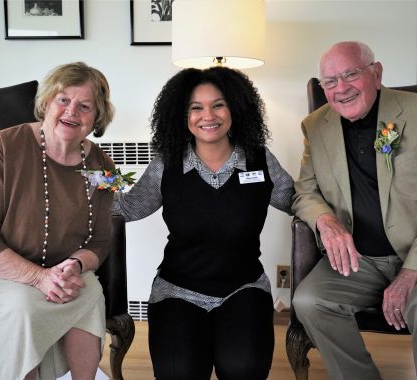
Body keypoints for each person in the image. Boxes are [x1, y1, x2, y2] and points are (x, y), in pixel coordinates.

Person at [291, 41, 417, 380]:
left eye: (350, 74)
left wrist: (411, 271)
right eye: (330, 81)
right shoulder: (316, 125)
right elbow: (304, 192)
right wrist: (325, 220)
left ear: (376, 73)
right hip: (362, 260)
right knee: (310, 301)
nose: (341, 88)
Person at [114, 66, 294, 380]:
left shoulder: (259, 160)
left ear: (236, 108)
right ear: (181, 116)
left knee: (244, 369)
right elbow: (129, 208)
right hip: (177, 291)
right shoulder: (166, 164)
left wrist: (330, 214)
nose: (207, 115)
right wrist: (77, 189)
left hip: (243, 288)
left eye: (218, 104)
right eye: (195, 108)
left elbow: (297, 200)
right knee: (179, 373)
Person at [0, 62, 116, 379]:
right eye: (62, 100)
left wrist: (74, 266)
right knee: (24, 303)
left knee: (89, 289)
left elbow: (101, 239)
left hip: (58, 271)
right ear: (47, 103)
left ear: (97, 117)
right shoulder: (4, 146)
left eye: (85, 106)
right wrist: (39, 278)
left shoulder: (103, 165)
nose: (71, 112)